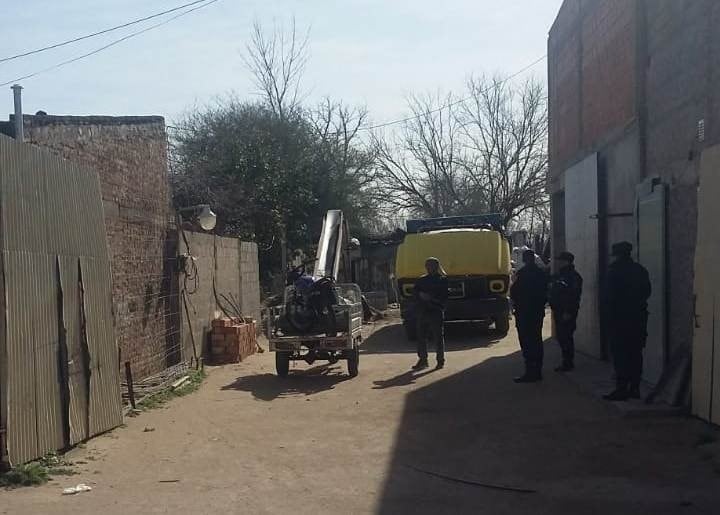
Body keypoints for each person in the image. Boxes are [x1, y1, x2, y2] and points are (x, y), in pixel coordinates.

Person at [603, 241, 651, 401]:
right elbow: (647, 292)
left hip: (619, 320)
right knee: (636, 354)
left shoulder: (613, 272)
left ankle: (621, 388)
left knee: (621, 355)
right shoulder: (640, 270)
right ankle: (635, 388)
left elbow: (609, 297)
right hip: (638, 318)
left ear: (617, 255)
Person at [510, 250, 548, 383]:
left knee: (527, 342)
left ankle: (530, 371)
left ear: (525, 260)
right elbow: (545, 293)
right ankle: (537, 371)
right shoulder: (541, 274)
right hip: (537, 312)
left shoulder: (521, 274)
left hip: (524, 313)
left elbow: (514, 293)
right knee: (537, 340)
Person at [549, 251, 583, 372]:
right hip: (559, 311)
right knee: (562, 337)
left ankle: (568, 362)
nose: (558, 263)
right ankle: (566, 361)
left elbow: (573, 296)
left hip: (566, 312)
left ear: (566, 262)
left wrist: (568, 311)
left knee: (566, 337)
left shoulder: (573, 277)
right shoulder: (561, 275)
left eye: (560, 261)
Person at [412, 257, 448, 370]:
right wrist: (420, 296)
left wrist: (431, 298)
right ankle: (423, 360)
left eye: (431, 266)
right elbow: (414, 294)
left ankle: (440, 361)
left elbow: (445, 297)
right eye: (427, 266)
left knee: (438, 337)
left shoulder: (442, 280)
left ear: (437, 267)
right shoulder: (421, 280)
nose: (429, 268)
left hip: (436, 311)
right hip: (423, 312)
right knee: (421, 337)